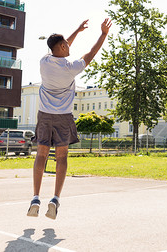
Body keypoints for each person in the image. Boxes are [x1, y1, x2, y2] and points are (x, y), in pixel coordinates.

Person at [27, 18, 112, 219]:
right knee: (62, 157)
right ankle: (55, 199)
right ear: (63, 46)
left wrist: (77, 31)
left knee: (41, 155)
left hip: (45, 115)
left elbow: (61, 47)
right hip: (63, 117)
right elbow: (91, 53)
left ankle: (35, 198)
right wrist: (103, 34)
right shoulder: (71, 67)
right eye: (66, 44)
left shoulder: (44, 62)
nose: (68, 46)